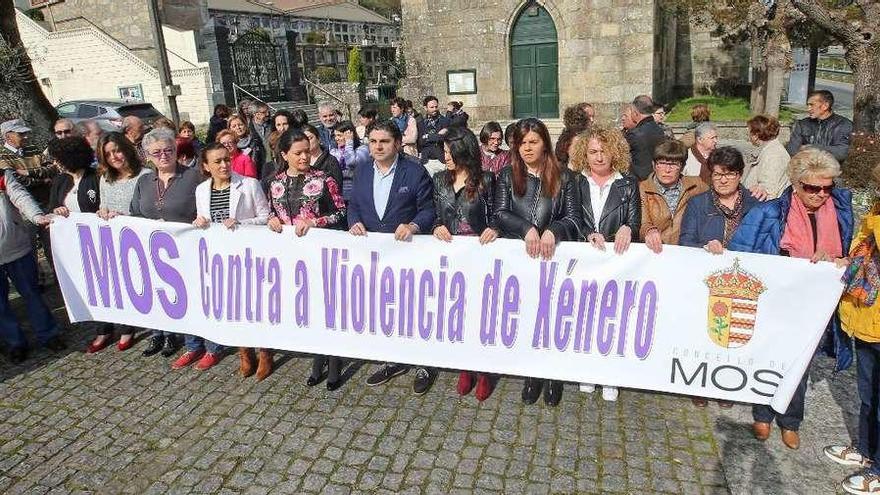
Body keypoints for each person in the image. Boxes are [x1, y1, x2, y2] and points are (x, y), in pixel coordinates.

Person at [729, 147, 854, 450]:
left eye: (827, 187)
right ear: (796, 185)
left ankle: (790, 420)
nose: (821, 194)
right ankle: (762, 413)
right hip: (776, 300)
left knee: (802, 363)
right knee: (770, 357)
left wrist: (841, 260)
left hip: (815, 305)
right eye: (813, 188)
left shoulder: (839, 212)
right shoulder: (768, 212)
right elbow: (741, 250)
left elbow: (853, 252)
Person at [494, 118, 581, 407]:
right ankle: (532, 373)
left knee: (551, 318)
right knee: (527, 316)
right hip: (521, 259)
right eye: (521, 143)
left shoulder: (565, 177)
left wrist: (552, 231)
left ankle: (553, 374)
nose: (527, 148)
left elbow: (573, 218)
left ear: (545, 142)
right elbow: (500, 212)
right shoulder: (507, 175)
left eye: (533, 142)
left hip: (552, 258)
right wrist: (525, 228)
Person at [349, 120, 436, 394]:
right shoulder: (361, 171)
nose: (377, 146)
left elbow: (429, 210)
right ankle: (392, 360)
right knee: (385, 310)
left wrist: (413, 225)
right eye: (373, 141)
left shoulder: (414, 171)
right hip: (374, 258)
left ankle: (424, 363)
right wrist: (353, 222)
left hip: (407, 255)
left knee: (413, 309)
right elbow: (354, 205)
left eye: (384, 141)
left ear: (397, 143)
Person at [679, 147, 762, 408]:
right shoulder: (698, 203)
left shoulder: (756, 205)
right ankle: (700, 384)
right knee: (704, 333)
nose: (723, 180)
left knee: (733, 337)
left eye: (730, 174)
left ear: (740, 175)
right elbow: (686, 241)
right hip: (709, 281)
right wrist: (704, 247)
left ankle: (726, 385)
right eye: (717, 175)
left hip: (743, 281)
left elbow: (764, 244)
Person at [267, 130, 347, 386]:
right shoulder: (275, 183)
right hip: (291, 258)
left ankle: (334, 360)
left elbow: (341, 213)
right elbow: (273, 212)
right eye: (297, 153)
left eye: (307, 151)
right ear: (284, 155)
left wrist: (315, 221)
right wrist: (271, 220)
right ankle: (317, 355)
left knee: (328, 308)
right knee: (309, 310)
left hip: (320, 255)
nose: (304, 157)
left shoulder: (324, 179)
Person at [569, 125, 641, 402]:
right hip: (585, 259)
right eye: (593, 152)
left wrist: (627, 228)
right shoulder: (574, 181)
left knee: (612, 319)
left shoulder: (627, 183)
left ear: (615, 152)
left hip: (615, 261)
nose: (599, 157)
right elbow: (571, 215)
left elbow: (633, 220)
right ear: (585, 154)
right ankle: (588, 370)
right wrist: (587, 233)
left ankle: (610, 373)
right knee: (585, 318)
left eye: (604, 151)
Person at [187, 143, 271, 372]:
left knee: (255, 306)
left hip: (248, 255)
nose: (224, 165)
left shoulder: (249, 184)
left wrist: (241, 224)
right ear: (206, 166)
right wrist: (200, 222)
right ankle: (245, 351)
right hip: (221, 259)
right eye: (217, 161)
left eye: (226, 159)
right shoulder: (201, 190)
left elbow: (265, 216)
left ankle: (264, 351)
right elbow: (203, 218)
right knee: (234, 307)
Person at [433, 126, 498, 401]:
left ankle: (483, 370)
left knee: (479, 314)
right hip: (450, 257)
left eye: (449, 152)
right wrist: (436, 225)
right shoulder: (439, 180)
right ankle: (464, 366)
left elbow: (498, 213)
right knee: (457, 313)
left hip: (480, 257)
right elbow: (435, 212)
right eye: (444, 151)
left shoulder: (487, 180)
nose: (445, 156)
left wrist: (495, 228)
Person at [827, 164, 880, 494]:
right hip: (868, 318)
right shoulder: (875, 212)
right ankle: (865, 450)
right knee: (867, 395)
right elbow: (860, 250)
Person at [130, 128, 203, 359]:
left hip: (185, 250)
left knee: (186, 295)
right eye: (156, 152)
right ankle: (163, 334)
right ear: (147, 156)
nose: (163, 155)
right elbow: (134, 212)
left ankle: (194, 341)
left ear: (176, 151)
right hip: (152, 250)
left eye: (168, 150)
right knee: (158, 293)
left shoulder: (193, 177)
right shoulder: (143, 181)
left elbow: (205, 209)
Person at [94, 132, 152, 352]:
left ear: (126, 149)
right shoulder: (105, 179)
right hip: (114, 240)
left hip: (139, 239)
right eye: (108, 154)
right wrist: (102, 211)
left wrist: (125, 216)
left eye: (117, 150)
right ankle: (123, 325)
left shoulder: (145, 175)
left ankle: (135, 328)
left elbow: (148, 211)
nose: (114, 157)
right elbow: (103, 204)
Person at [0, 157, 61, 364]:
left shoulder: (2, 175)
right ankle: (15, 343)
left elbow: (19, 196)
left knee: (32, 294)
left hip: (16, 248)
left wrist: (37, 216)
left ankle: (48, 334)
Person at [640, 139, 708, 254]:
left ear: (682, 167)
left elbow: (722, 192)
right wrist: (649, 231)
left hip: (686, 252)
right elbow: (643, 223)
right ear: (653, 165)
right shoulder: (643, 189)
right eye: (661, 163)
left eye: (673, 164)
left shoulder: (696, 185)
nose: (667, 170)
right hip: (655, 251)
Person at [786, 89, 853, 163]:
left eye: (811, 105)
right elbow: (792, 151)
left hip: (832, 171)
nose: (808, 109)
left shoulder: (843, 125)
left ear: (825, 106)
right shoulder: (802, 124)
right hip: (806, 169)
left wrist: (812, 148)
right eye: (808, 105)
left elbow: (842, 152)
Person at [744, 115, 790, 200]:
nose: (748, 135)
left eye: (749, 132)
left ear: (756, 135)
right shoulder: (770, 150)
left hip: (763, 208)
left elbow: (769, 192)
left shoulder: (774, 155)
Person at [622, 95, 666, 181]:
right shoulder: (659, 129)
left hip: (639, 180)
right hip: (656, 178)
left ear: (635, 113)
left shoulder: (634, 134)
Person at [330, 120, 370, 199]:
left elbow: (351, 162)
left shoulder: (363, 149)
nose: (336, 138)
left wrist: (349, 143)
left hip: (360, 194)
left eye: (339, 135)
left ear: (350, 135)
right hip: (341, 196)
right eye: (335, 135)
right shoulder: (334, 152)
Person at [417, 95, 451, 161]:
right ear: (425, 108)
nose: (435, 109)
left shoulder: (445, 121)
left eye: (436, 107)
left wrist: (427, 137)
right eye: (432, 107)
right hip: (425, 159)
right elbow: (420, 142)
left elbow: (446, 138)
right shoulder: (421, 123)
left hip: (441, 159)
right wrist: (436, 136)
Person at [249, 101, 272, 169]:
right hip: (257, 165)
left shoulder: (273, 125)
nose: (267, 114)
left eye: (268, 111)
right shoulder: (248, 129)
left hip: (273, 163)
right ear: (255, 114)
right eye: (264, 112)